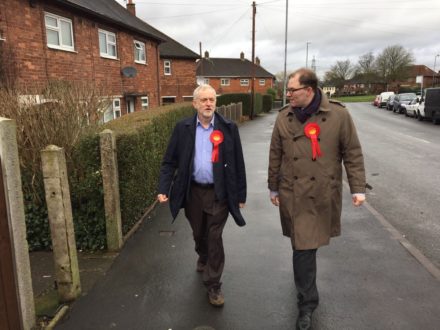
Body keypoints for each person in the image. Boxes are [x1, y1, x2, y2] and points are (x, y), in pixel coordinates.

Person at [268, 68, 366, 330]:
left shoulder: (339, 115)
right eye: (287, 90)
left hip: (323, 192)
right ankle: (307, 303)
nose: (287, 94)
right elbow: (275, 153)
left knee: (306, 248)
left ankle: (305, 294)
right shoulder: (284, 117)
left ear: (309, 90)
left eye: (292, 90)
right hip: (293, 192)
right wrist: (273, 187)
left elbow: (352, 153)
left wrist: (357, 188)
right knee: (302, 248)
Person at [157, 84, 247, 307]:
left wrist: (240, 195)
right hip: (193, 192)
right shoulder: (183, 128)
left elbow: (238, 162)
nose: (209, 104)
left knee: (215, 236)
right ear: (195, 103)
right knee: (200, 234)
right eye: (204, 100)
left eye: (212, 100)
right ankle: (203, 255)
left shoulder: (228, 128)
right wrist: (163, 188)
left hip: (220, 193)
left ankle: (213, 285)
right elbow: (169, 161)